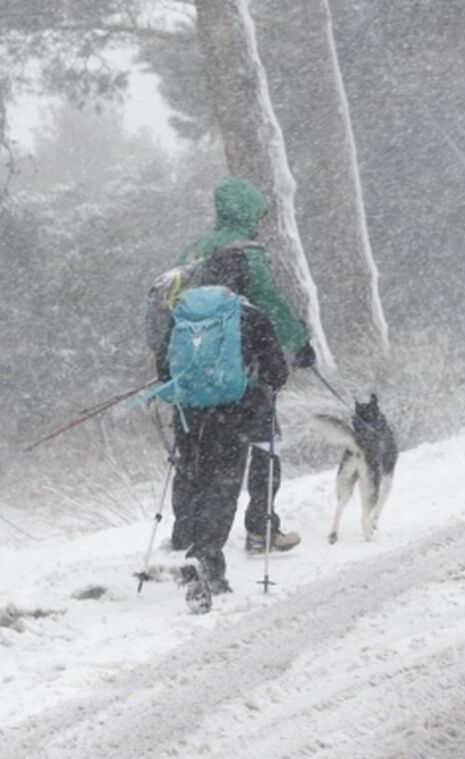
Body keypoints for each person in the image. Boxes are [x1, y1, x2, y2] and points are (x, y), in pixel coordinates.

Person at [174, 177, 313, 554]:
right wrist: (300, 345)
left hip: (192, 376)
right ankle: (261, 528)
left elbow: (174, 309)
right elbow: (273, 305)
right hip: (242, 376)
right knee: (266, 445)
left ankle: (184, 533)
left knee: (191, 453)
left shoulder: (193, 251)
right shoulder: (247, 253)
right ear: (248, 211)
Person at [154, 254, 289, 599]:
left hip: (190, 414)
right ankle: (206, 559)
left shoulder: (183, 313)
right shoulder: (250, 315)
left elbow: (164, 368)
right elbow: (277, 372)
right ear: (242, 280)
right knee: (222, 487)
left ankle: (189, 542)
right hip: (234, 414)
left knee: (195, 477)